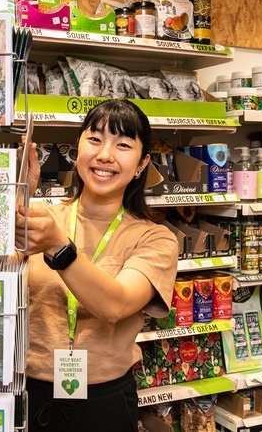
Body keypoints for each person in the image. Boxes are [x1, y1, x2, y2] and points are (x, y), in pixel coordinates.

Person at [15, 99, 178, 432]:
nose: (105, 154)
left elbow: (115, 305)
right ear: (77, 150)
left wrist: (57, 247)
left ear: (141, 164)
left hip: (105, 401)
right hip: (28, 391)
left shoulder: (155, 239)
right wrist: (19, 196)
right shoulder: (46, 219)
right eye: (94, 139)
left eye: (123, 145)